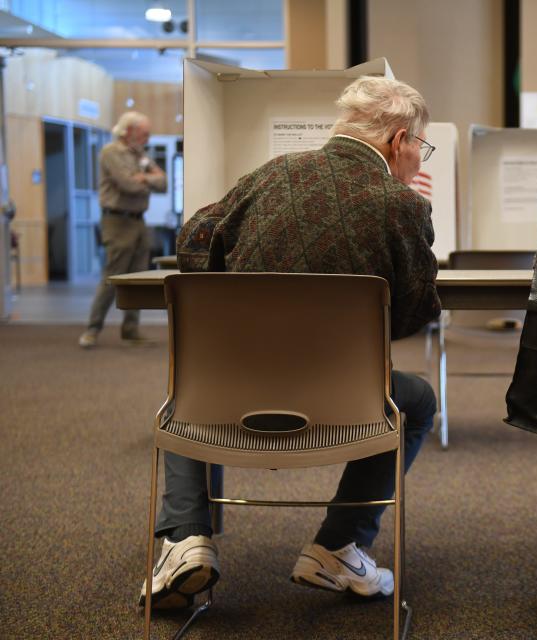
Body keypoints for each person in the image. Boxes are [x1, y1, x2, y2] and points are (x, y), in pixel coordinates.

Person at [141, 76, 441, 609]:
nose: (419, 154)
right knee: (416, 401)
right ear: (399, 141)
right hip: (341, 402)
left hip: (229, 397)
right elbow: (412, 316)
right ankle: (338, 545)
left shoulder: (268, 175)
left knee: (186, 390)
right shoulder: (402, 205)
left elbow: (194, 242)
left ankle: (184, 539)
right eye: (420, 144)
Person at [79, 111, 167, 349]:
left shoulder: (141, 155)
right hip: (117, 222)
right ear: (129, 131)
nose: (147, 138)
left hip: (139, 222)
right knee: (113, 276)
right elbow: (127, 184)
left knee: (137, 278)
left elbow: (164, 182)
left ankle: (131, 330)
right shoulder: (111, 152)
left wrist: (143, 177)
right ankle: (92, 329)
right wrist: (148, 178)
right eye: (144, 133)